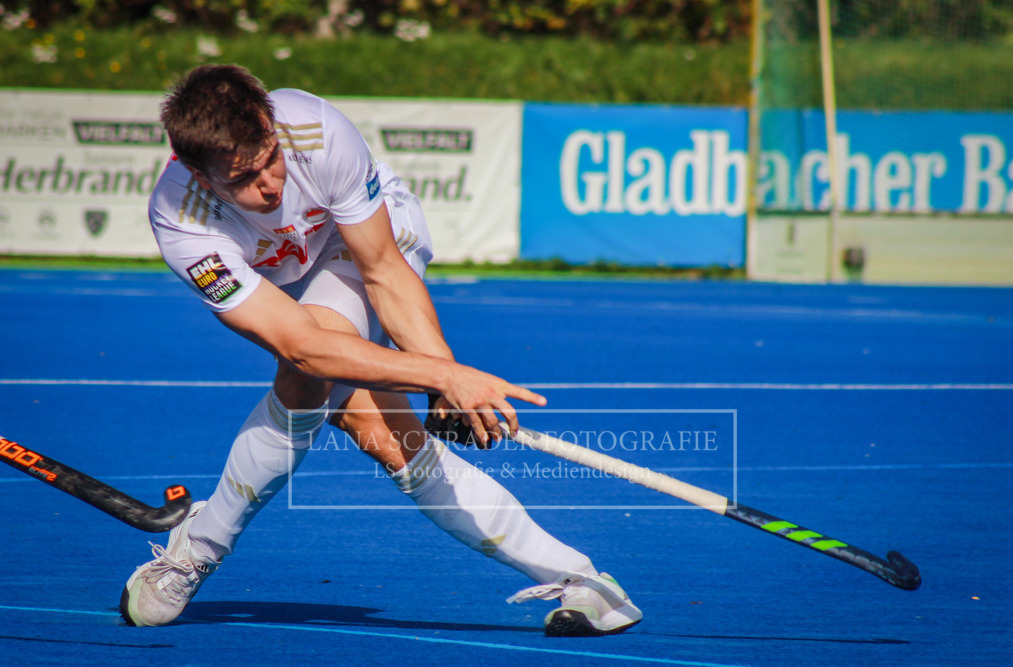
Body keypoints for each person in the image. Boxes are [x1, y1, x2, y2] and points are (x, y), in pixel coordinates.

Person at [119, 64, 642, 637]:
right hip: (292, 295)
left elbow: (384, 270)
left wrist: (444, 375)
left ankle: (200, 545)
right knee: (386, 435)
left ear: (271, 124)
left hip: (361, 242)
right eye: (244, 176)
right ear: (198, 171)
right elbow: (304, 346)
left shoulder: (314, 130)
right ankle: (585, 581)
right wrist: (443, 377)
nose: (270, 182)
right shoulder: (180, 217)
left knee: (312, 382)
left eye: (271, 157)